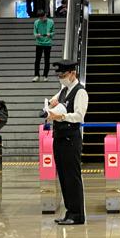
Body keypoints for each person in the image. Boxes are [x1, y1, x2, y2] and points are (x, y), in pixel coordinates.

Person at [47, 59, 88, 225]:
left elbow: (79, 116)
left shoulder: (80, 92)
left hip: (71, 139)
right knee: (63, 177)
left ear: (72, 74)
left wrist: (61, 116)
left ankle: (77, 214)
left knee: (72, 177)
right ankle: (69, 211)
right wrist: (50, 107)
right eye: (59, 75)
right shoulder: (63, 91)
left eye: (63, 75)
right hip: (59, 138)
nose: (61, 78)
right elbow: (51, 102)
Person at [33, 10, 55, 82]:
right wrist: (36, 35)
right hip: (39, 43)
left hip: (47, 43)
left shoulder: (51, 22)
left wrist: (50, 34)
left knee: (47, 60)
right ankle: (36, 75)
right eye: (40, 18)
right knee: (37, 60)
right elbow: (35, 32)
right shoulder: (36, 22)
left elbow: (53, 32)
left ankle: (45, 76)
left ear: (45, 15)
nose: (42, 19)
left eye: (43, 17)